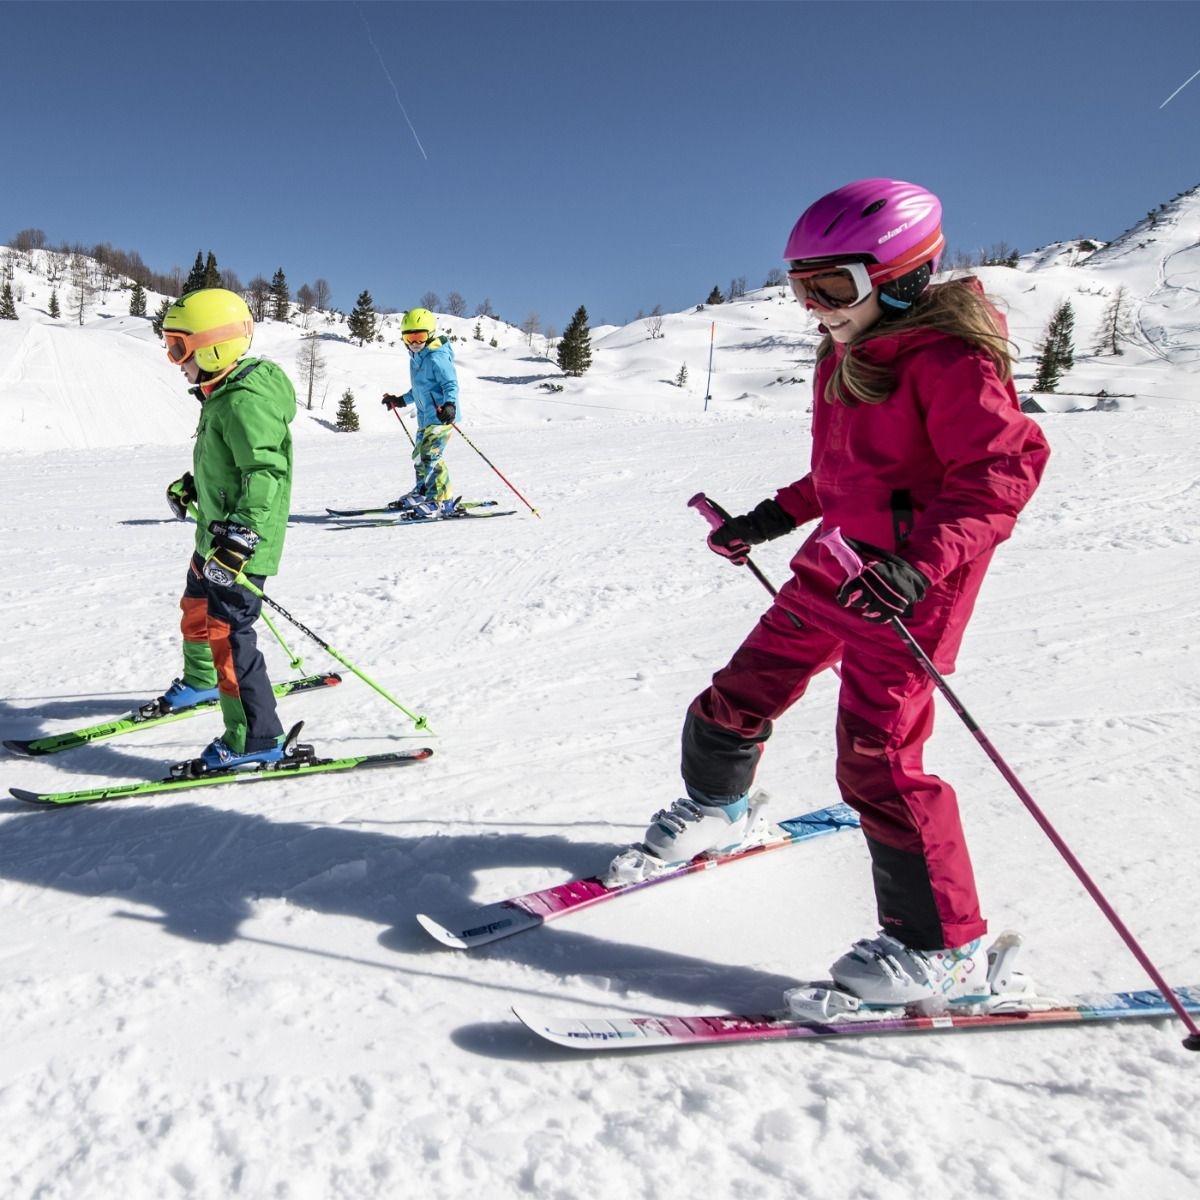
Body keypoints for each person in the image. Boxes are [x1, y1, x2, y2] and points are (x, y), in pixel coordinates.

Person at [615, 179, 1051, 1009]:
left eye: (832, 288)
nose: (814, 307)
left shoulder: (951, 362)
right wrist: (768, 519)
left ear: (904, 278)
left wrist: (920, 565)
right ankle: (719, 808)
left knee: (878, 759)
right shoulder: (845, 352)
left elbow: (1001, 474)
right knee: (734, 696)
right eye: (800, 287)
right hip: (838, 561)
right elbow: (841, 474)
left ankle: (943, 949)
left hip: (912, 583)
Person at [158, 287, 298, 771]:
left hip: (240, 545)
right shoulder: (219, 394)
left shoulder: (244, 402)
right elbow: (229, 466)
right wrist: (193, 487)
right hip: (213, 537)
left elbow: (265, 474)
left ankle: (256, 737)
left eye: (179, 347)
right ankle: (199, 683)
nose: (175, 360)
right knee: (196, 608)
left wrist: (242, 538)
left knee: (229, 634)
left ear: (213, 347)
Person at [381, 307, 461, 517]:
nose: (415, 343)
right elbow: (419, 390)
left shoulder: (436, 357)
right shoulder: (416, 358)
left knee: (431, 456)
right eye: (410, 337)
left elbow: (450, 385)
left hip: (441, 416)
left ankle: (443, 500)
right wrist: (400, 400)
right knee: (419, 456)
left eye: (420, 337)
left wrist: (450, 405)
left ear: (430, 334)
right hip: (425, 418)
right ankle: (424, 492)